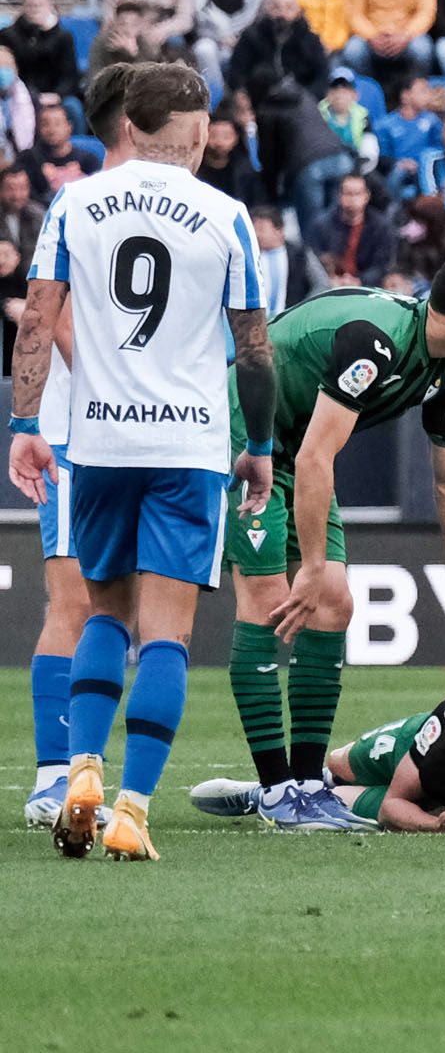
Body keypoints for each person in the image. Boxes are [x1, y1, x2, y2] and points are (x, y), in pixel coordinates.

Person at [9, 62, 275, 862]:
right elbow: (256, 352)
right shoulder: (226, 216)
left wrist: (25, 422)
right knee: (167, 634)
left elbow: (35, 322)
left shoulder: (74, 203)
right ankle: (131, 807)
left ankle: (78, 771)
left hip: (98, 441)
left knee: (102, 613)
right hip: (187, 446)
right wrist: (258, 446)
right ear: (195, 135)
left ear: (129, 126)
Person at [222, 249, 445, 831]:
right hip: (245, 440)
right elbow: (315, 454)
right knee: (266, 601)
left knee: (335, 604)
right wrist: (310, 563)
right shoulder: (374, 343)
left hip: (299, 452)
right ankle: (275, 789)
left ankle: (309, 784)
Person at [11, 64, 134, 832]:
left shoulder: (177, 207)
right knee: (76, 600)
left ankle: (91, 765)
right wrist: (114, 382)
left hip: (140, 431)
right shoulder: (79, 203)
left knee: (129, 609)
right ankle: (56, 774)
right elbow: (48, 310)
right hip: (76, 428)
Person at [196, 695, 445, 833]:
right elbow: (395, 803)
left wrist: (435, 822)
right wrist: (432, 821)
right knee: (338, 763)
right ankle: (304, 782)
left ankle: (265, 797)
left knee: (343, 803)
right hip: (409, 745)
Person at [0, 0, 81, 103]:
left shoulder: (63, 37)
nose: (35, 9)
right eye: (31, 5)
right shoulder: (8, 35)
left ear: (50, 5)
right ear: (23, 7)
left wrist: (58, 95)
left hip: (57, 94)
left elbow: (70, 75)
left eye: (40, 5)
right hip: (21, 94)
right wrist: (41, 32)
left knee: (73, 107)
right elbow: (24, 61)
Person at [26, 102, 101, 205]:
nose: (51, 130)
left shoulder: (88, 160)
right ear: (38, 129)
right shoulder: (29, 159)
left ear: (69, 127)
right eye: (45, 124)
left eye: (57, 124)